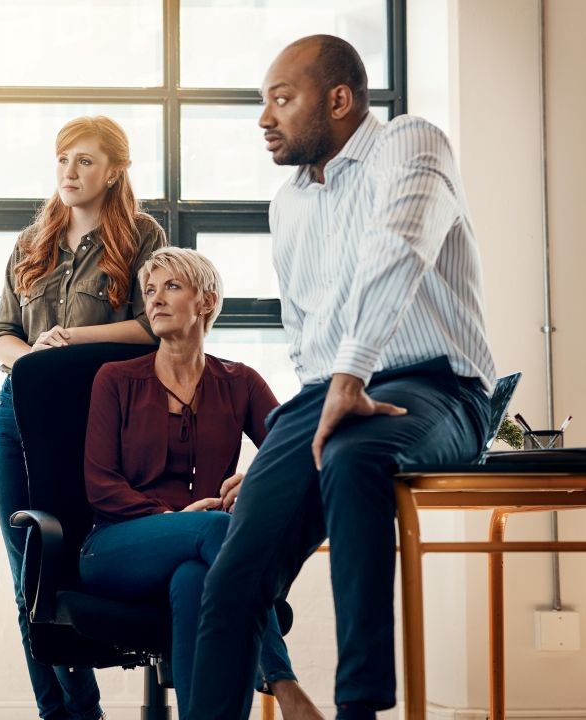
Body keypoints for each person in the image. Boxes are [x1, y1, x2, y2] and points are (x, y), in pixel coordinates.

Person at [190, 35, 495, 720]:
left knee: (356, 454)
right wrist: (287, 445)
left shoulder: (410, 144)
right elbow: (305, 333)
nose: (264, 119)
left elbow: (399, 248)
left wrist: (351, 376)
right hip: (325, 391)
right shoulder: (287, 205)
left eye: (281, 99)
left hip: (438, 386)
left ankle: (359, 706)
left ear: (337, 99)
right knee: (235, 571)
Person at [79, 247, 322, 720]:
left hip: (205, 553)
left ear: (206, 301)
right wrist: (171, 519)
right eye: (150, 290)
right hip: (115, 546)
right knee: (217, 528)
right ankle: (282, 681)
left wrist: (255, 479)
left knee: (196, 579)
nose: (155, 299)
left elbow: (292, 454)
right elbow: (100, 484)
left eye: (171, 286)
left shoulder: (240, 382)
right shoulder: (115, 379)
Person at [0, 115, 167, 720]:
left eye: (85, 160)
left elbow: (150, 327)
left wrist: (70, 341)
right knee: (26, 568)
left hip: (92, 419)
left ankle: (85, 705)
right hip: (15, 414)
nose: (70, 171)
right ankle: (65, 712)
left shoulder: (141, 237)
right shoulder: (30, 242)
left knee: (69, 560)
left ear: (114, 171)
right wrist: (32, 358)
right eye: (64, 160)